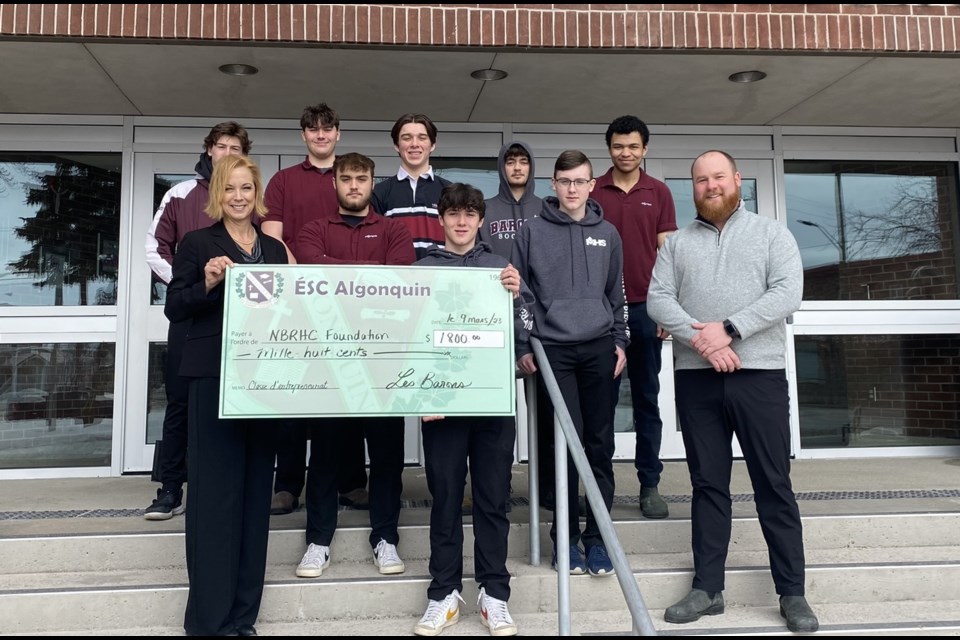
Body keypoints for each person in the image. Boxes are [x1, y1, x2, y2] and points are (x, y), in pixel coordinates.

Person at [646, 150, 819, 633]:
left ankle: (792, 593)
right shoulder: (676, 245)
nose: (710, 185)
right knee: (707, 486)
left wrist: (730, 328)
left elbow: (788, 292)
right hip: (698, 378)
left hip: (758, 375)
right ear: (694, 188)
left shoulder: (771, 234)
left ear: (737, 180)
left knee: (773, 484)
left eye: (718, 177)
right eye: (701, 180)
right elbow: (658, 299)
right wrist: (703, 340)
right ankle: (707, 588)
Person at [165, 155, 287, 636]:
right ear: (218, 194)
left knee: (254, 502)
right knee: (214, 501)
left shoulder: (274, 250)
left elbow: (289, 313)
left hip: (262, 385)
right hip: (213, 382)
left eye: (246, 187)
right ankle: (208, 623)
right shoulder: (197, 244)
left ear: (257, 194)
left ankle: (242, 618)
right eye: (230, 188)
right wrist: (209, 283)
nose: (238, 196)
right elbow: (176, 307)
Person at [412, 183, 532, 637]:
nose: (461, 222)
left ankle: (494, 594)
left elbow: (527, 333)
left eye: (469, 214)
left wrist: (518, 296)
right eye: (453, 214)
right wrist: (420, 393)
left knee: (492, 499)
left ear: (480, 220)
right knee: (444, 498)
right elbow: (409, 340)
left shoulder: (501, 269)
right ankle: (442, 593)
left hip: (492, 403)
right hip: (441, 406)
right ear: (440, 220)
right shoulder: (421, 271)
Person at [293, 152, 415, 579]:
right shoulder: (313, 230)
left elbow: (399, 281)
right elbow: (310, 271)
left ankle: (385, 539)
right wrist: (369, 271)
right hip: (329, 364)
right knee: (325, 457)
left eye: (361, 179)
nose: (354, 186)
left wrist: (342, 272)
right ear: (335, 184)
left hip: (382, 364)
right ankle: (318, 540)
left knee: (387, 459)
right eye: (346, 179)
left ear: (371, 182)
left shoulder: (394, 230)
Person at [511, 150, 627, 577]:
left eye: (580, 181)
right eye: (564, 181)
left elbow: (617, 295)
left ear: (592, 184)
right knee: (563, 445)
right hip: (552, 351)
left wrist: (620, 340)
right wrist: (525, 343)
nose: (572, 189)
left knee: (599, 445)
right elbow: (520, 294)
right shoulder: (532, 232)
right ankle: (566, 541)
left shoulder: (609, 233)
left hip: (598, 348)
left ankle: (598, 540)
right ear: (554, 185)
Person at [261, 103, 369, 516]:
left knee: (349, 388)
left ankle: (352, 481)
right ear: (303, 135)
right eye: (313, 129)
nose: (321, 135)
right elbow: (273, 238)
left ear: (338, 134)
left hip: (349, 304)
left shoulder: (351, 175)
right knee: (294, 392)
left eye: (328, 129)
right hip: (298, 301)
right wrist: (306, 280)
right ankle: (287, 484)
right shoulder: (284, 181)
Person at [143, 121, 251, 520]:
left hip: (239, 319)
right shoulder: (181, 193)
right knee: (181, 401)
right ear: (209, 151)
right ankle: (170, 487)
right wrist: (188, 283)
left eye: (234, 147)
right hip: (192, 311)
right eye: (220, 146)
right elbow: (154, 249)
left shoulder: (247, 198)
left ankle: (230, 484)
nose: (226, 153)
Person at [591, 115, 678, 520]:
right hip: (603, 314)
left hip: (646, 309)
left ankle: (650, 484)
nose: (625, 153)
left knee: (646, 399)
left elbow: (668, 254)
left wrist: (666, 308)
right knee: (601, 404)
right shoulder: (593, 191)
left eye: (633, 146)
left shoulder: (658, 192)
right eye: (618, 146)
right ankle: (598, 487)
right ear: (609, 148)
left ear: (645, 149)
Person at [480, 141, 545, 514]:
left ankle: (544, 490)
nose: (517, 168)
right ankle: (497, 489)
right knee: (499, 417)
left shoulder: (545, 208)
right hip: (495, 323)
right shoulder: (487, 210)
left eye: (523, 161)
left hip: (539, 322)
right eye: (510, 161)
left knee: (543, 415)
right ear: (501, 167)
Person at [372, 113, 451, 259]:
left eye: (422, 137)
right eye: (407, 138)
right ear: (396, 145)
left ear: (432, 144)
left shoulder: (450, 191)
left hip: (441, 278)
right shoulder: (379, 192)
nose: (414, 144)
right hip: (394, 279)